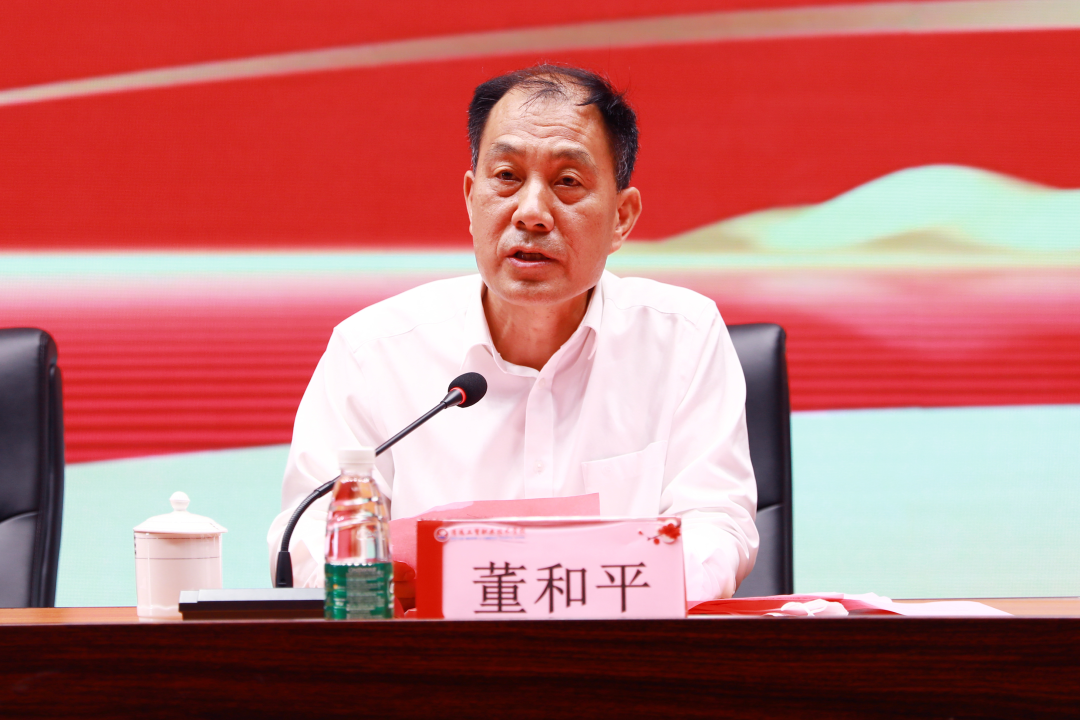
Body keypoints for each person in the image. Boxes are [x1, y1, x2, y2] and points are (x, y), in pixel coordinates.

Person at [268, 65, 758, 606]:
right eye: (506, 176)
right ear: (470, 198)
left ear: (622, 217)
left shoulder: (683, 339)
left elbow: (716, 525)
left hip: (619, 648)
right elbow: (309, 539)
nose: (531, 213)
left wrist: (576, 589)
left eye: (567, 182)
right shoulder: (372, 353)